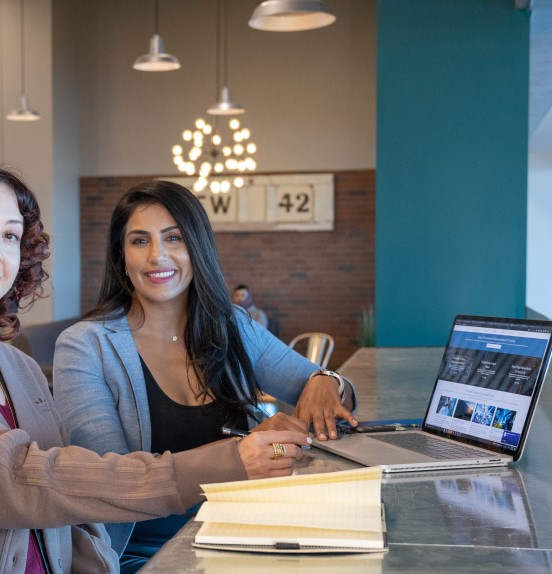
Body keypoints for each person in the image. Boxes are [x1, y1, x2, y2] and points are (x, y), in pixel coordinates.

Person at [0, 164, 311, 574]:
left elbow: (72, 508)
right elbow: (17, 479)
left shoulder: (17, 366)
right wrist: (225, 462)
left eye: (9, 235)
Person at [52, 180, 357, 572]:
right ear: (121, 256)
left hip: (247, 533)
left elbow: (337, 396)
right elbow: (113, 482)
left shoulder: (232, 325)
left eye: (174, 238)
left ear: (197, 248)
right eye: (140, 241)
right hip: (141, 555)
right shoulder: (84, 346)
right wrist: (239, 455)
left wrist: (326, 381)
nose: (157, 256)